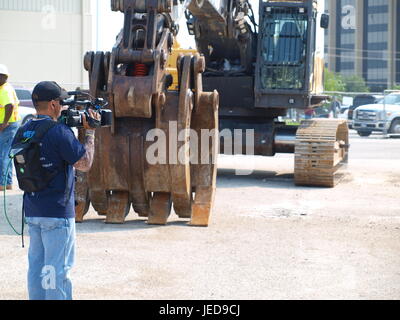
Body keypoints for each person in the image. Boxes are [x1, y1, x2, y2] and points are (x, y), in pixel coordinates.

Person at [17, 81, 100, 300]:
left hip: (33, 210)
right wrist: (89, 133)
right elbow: (84, 163)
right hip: (57, 212)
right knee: (57, 271)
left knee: (38, 269)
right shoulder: (59, 132)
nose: (64, 107)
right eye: (62, 103)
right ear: (53, 104)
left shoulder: (24, 129)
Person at [0, 64, 20, 191]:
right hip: (10, 124)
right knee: (7, 153)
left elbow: (9, 106)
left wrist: (4, 123)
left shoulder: (5, 89)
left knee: (3, 154)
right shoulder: (4, 87)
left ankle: (2, 184)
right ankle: (7, 183)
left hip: (8, 125)